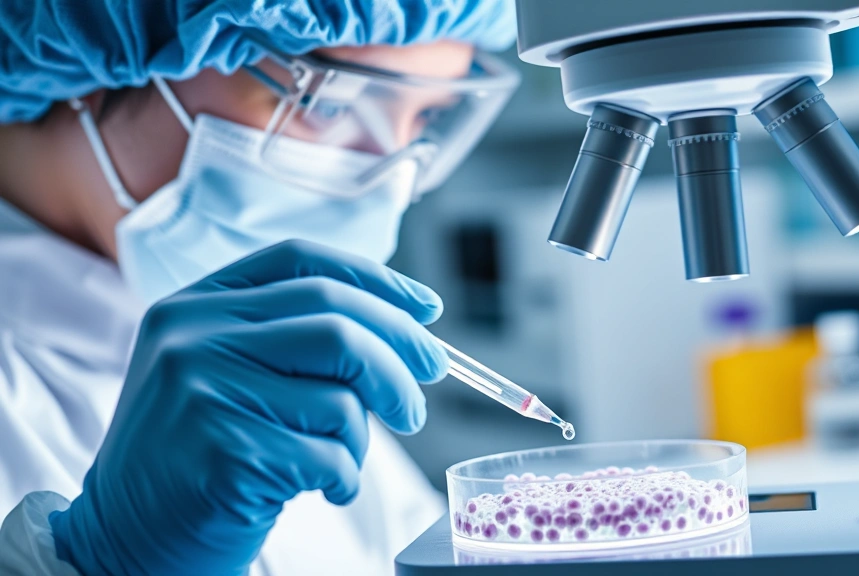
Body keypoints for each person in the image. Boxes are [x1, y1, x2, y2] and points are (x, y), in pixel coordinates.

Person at [0, 1, 518, 574]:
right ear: (97, 50)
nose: (389, 178)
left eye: (425, 117)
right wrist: (110, 562)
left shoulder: (278, 384)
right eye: (324, 103)